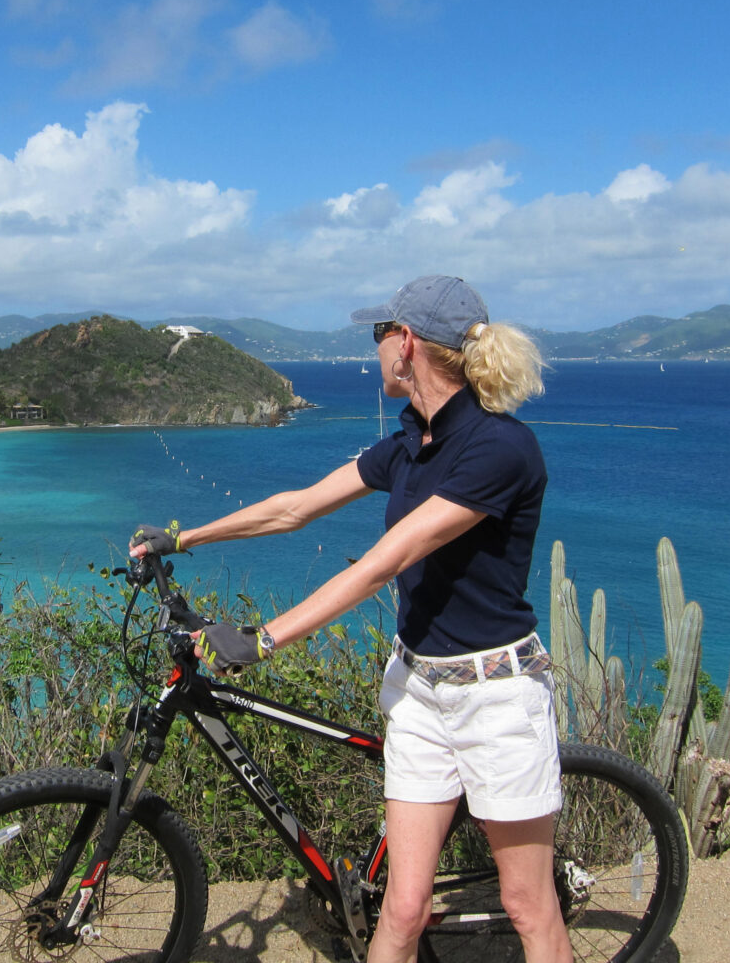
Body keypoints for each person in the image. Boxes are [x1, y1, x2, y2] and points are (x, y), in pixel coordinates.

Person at [129, 275, 572, 963]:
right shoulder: (409, 445)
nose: (375, 352)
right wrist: (183, 539)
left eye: (378, 335)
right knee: (401, 908)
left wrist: (263, 638)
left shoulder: (498, 449)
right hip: (421, 691)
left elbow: (380, 564)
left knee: (528, 908)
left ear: (407, 344)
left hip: (495, 697)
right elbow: (294, 507)